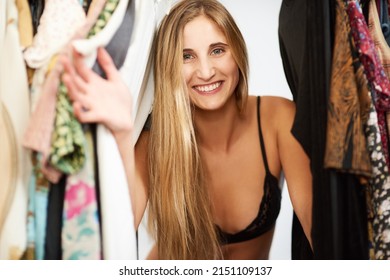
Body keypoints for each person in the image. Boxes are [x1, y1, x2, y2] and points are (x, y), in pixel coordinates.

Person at [61, 0, 312, 260]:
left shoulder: (278, 119)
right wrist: (124, 131)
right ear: (170, 65)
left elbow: (322, 234)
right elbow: (118, 229)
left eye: (217, 51)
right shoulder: (156, 140)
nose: (205, 72)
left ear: (237, 52)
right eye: (186, 56)